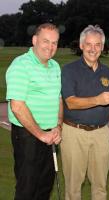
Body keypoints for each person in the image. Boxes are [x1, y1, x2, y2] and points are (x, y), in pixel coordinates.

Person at [60, 25, 109, 200]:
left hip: (101, 134)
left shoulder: (107, 72)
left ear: (102, 47)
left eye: (97, 45)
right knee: (73, 188)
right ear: (81, 46)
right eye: (88, 44)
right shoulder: (69, 70)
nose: (93, 49)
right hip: (74, 133)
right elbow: (70, 102)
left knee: (100, 186)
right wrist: (98, 99)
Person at [6, 23, 62, 200]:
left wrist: (58, 127)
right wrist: (40, 134)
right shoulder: (20, 65)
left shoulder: (55, 66)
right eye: (46, 41)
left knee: (45, 187)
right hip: (28, 136)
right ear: (35, 40)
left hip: (50, 134)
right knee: (27, 188)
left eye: (54, 42)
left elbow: (58, 100)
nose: (50, 46)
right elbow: (17, 106)